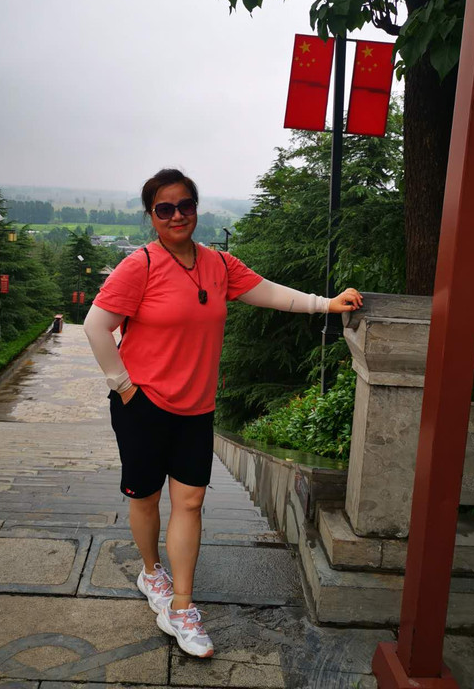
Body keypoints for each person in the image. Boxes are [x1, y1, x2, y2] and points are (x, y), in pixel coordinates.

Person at [84, 168, 362, 658]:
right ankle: (151, 572)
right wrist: (123, 387)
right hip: (142, 404)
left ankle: (182, 606)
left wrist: (327, 305)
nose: (177, 215)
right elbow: (95, 325)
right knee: (146, 497)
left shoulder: (218, 264)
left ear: (196, 207)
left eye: (185, 205)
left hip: (197, 406)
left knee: (190, 502)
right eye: (165, 208)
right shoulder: (140, 265)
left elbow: (269, 292)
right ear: (151, 215)